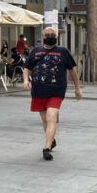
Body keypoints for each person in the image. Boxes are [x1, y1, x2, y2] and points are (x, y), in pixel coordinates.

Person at [23, 26, 83, 161]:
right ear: (43, 37)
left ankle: (47, 148)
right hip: (38, 91)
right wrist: (26, 80)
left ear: (56, 36)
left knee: (51, 116)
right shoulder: (35, 52)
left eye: (53, 34)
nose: (50, 36)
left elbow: (72, 71)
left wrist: (77, 88)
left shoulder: (63, 52)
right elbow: (27, 68)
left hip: (57, 90)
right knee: (45, 120)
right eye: (47, 34)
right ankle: (52, 140)